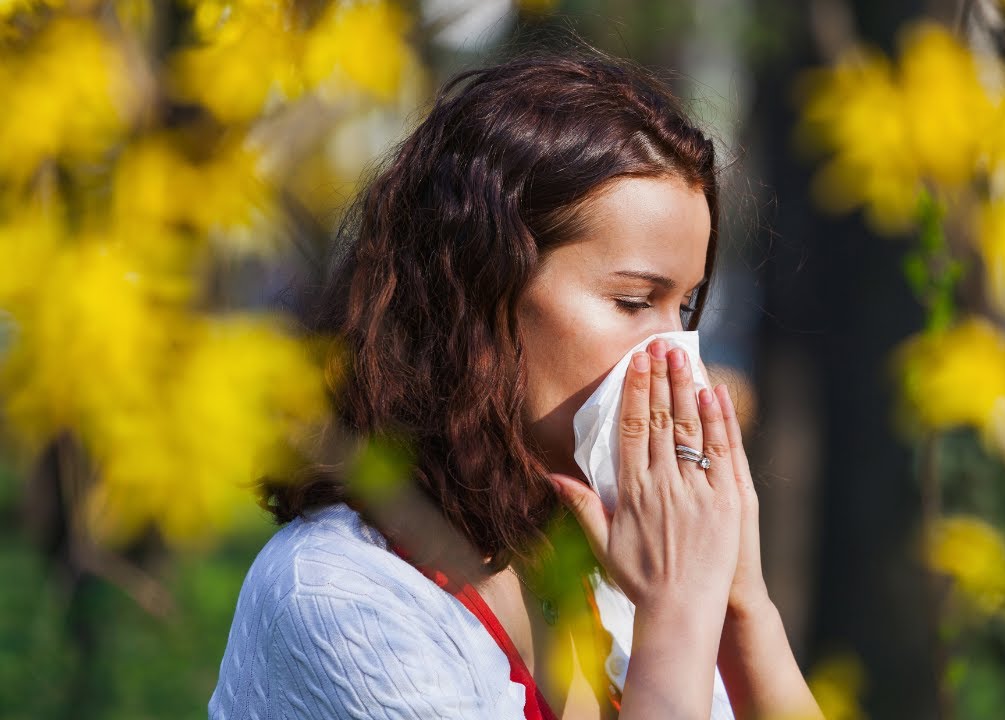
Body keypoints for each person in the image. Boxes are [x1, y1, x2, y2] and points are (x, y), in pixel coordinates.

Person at [207, 46, 823, 720]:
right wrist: (676, 617)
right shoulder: (343, 598)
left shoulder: (608, 562)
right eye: (633, 301)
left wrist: (739, 606)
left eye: (685, 307)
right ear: (479, 291)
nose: (677, 358)